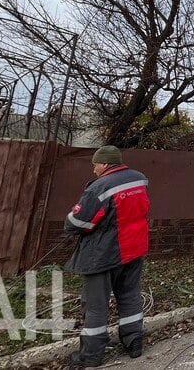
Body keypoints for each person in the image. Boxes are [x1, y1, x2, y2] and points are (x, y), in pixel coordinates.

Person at [65, 145, 150, 367]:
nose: (93, 170)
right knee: (130, 295)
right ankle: (134, 343)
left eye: (95, 165)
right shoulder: (139, 180)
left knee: (95, 305)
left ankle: (91, 355)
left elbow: (79, 221)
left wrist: (71, 221)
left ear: (104, 164)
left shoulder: (100, 187)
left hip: (104, 254)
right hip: (134, 249)